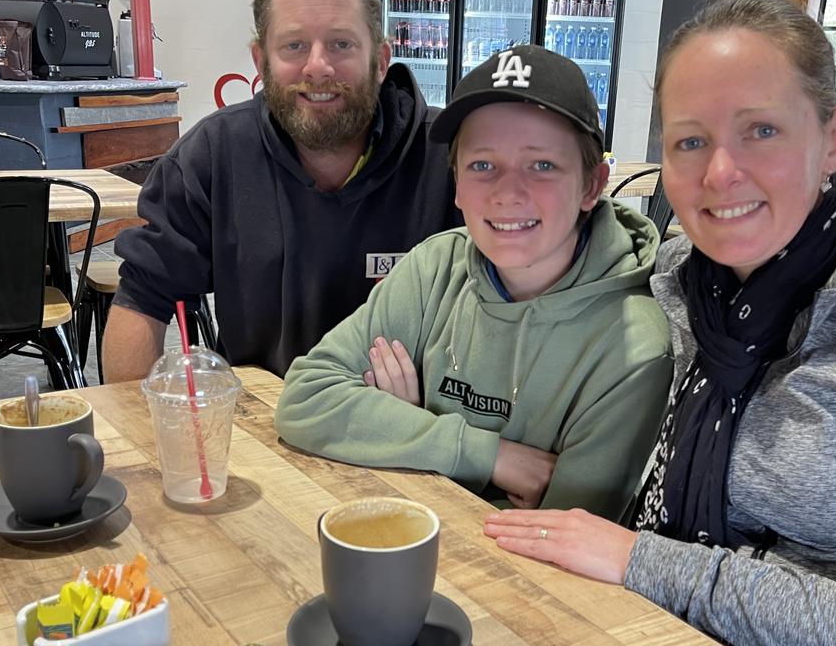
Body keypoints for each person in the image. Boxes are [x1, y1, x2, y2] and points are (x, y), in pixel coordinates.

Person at [483, 0, 836, 644]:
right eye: (690, 140)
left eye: (761, 131)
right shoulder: (677, 277)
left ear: (833, 136)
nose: (721, 173)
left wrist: (642, 558)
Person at [275, 45, 672, 521]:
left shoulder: (635, 344)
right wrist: (490, 456)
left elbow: (558, 542)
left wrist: (396, 430)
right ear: (457, 187)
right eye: (482, 165)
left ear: (592, 185)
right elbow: (303, 400)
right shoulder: (435, 268)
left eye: (542, 165)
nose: (508, 192)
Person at [102, 0, 461, 381]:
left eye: (341, 44)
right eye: (293, 46)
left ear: (381, 59)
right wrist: (143, 440)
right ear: (261, 60)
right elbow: (143, 298)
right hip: (265, 430)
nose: (318, 67)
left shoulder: (452, 155)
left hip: (418, 428)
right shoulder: (213, 156)